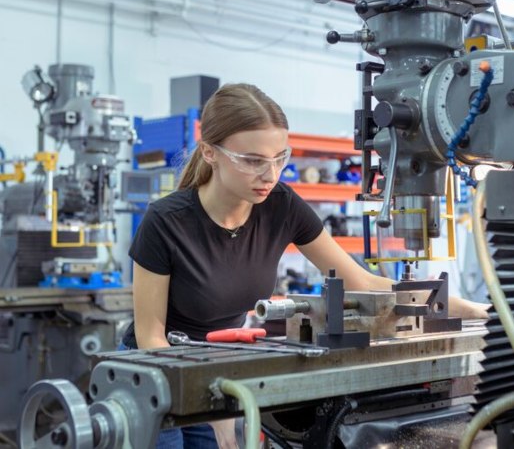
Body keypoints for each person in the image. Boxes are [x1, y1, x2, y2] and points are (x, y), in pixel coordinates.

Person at [120, 83, 489, 448]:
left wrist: (473, 310)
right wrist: (213, 409)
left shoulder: (280, 205)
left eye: (280, 158)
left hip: (217, 364)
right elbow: (150, 338)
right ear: (210, 152)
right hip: (156, 371)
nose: (270, 175)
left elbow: (364, 282)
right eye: (252, 161)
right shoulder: (166, 221)